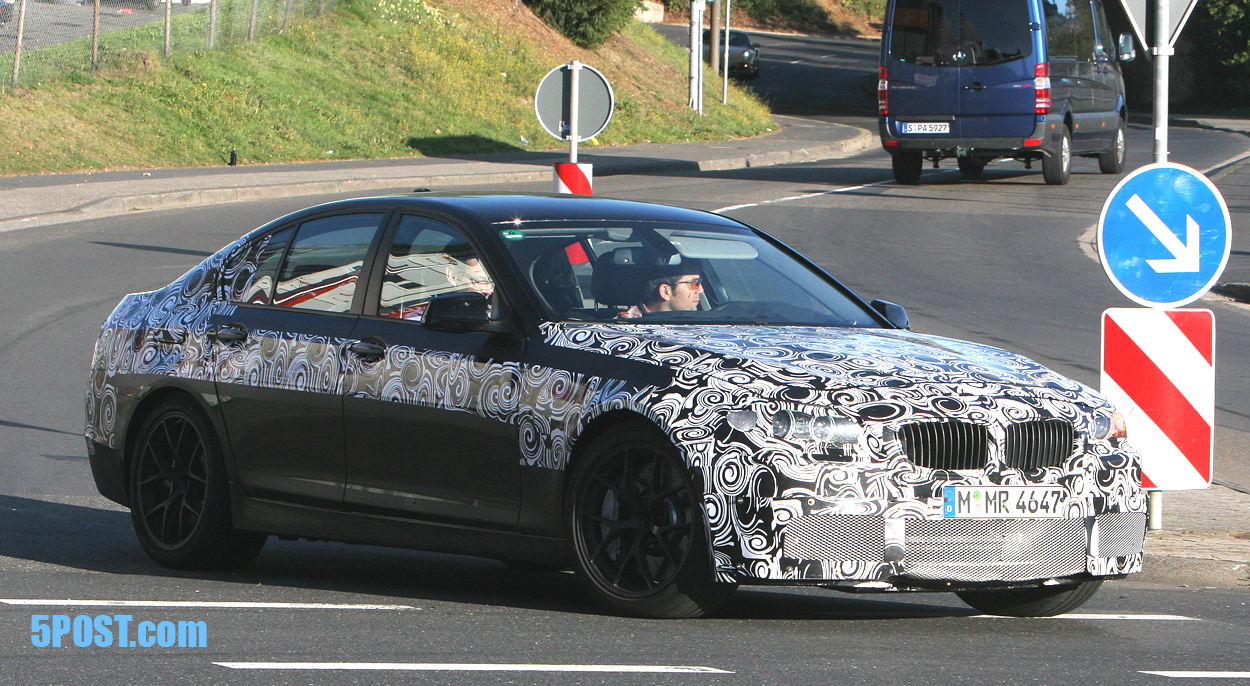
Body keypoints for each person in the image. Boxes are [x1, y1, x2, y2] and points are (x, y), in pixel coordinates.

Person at [619, 270, 703, 318]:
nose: (701, 290)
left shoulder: (701, 324)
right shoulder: (626, 330)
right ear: (665, 291)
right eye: (695, 283)